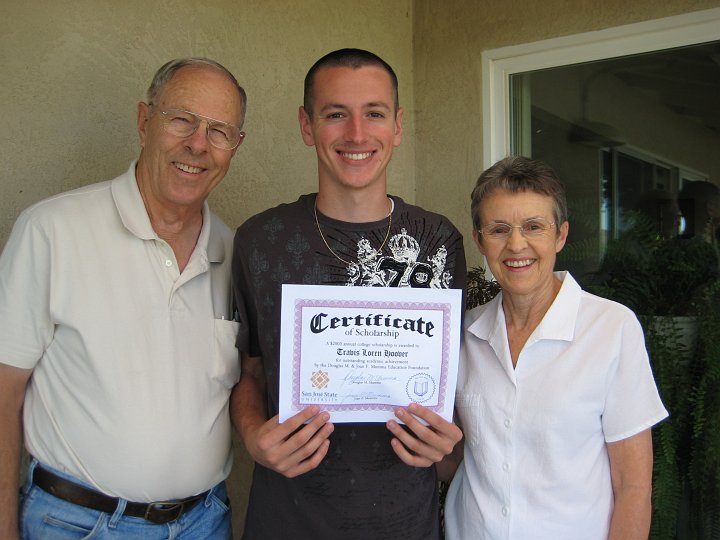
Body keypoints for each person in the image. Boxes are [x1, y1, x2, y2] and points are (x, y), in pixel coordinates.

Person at [0, 57, 247, 539]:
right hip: (72, 525)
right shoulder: (52, 230)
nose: (198, 144)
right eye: (182, 119)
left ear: (235, 147)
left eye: (220, 131)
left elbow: (246, 385)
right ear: (143, 121)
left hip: (204, 523)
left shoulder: (236, 253)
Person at [230, 48, 467, 539]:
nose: (357, 134)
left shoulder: (438, 241)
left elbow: (455, 375)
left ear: (397, 126)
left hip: (405, 522)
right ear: (306, 125)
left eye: (374, 114)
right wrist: (253, 436)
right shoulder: (260, 240)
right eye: (336, 114)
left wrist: (448, 448)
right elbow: (249, 369)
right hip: (287, 521)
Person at [444, 156, 668, 540]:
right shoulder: (463, 333)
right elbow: (456, 459)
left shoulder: (611, 328)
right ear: (480, 240)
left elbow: (633, 487)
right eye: (499, 230)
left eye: (534, 227)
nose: (516, 244)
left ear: (561, 235)